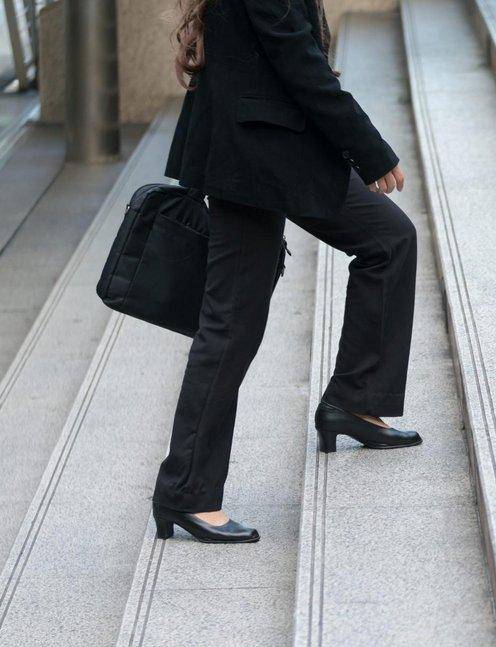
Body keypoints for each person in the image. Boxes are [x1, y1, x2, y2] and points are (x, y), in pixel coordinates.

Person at [150, 0, 421, 544]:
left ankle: (354, 401)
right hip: (250, 154)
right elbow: (299, 60)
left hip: (275, 142)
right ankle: (186, 492)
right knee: (230, 326)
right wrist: (369, 150)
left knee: (389, 240)